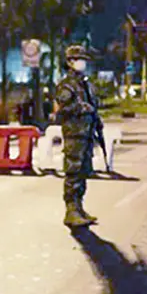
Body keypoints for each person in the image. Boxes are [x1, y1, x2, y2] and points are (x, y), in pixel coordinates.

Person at [55, 45, 100, 228]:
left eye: (83, 59)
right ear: (69, 62)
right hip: (74, 134)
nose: (82, 62)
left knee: (83, 171)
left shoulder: (85, 84)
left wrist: (97, 120)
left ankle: (79, 207)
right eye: (78, 59)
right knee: (73, 172)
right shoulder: (66, 85)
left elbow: (93, 105)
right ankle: (71, 210)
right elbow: (63, 109)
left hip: (86, 133)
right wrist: (83, 108)